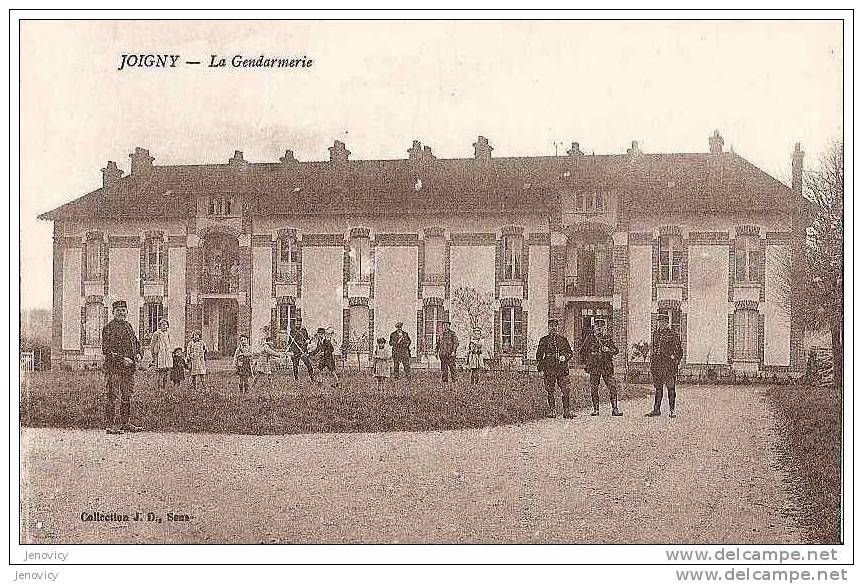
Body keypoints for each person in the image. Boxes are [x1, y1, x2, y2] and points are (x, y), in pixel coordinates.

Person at [101, 300, 144, 434]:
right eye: (118, 310)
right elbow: (106, 350)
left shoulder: (128, 326)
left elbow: (136, 343)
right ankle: (110, 425)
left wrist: (138, 353)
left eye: (123, 310)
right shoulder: (109, 328)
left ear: (127, 312)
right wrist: (122, 359)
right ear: (113, 312)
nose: (121, 313)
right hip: (114, 368)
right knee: (112, 396)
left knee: (126, 396)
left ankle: (125, 423)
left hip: (128, 369)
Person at [580, 319, 622, 417]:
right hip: (594, 367)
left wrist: (608, 350)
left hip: (606, 366)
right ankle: (596, 410)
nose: (599, 328)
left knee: (612, 387)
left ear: (604, 328)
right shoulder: (590, 338)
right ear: (594, 327)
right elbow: (582, 351)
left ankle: (615, 409)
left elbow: (616, 350)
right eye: (597, 326)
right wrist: (588, 361)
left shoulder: (608, 338)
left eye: (601, 326)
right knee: (594, 388)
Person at [646, 313, 683, 418]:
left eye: (663, 322)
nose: (661, 324)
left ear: (667, 323)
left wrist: (675, 362)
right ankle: (656, 410)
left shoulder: (673, 334)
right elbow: (653, 349)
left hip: (668, 366)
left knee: (671, 388)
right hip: (657, 365)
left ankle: (672, 410)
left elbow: (679, 351)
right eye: (659, 322)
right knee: (658, 388)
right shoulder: (655, 334)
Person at [536, 318, 574, 418]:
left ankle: (567, 411)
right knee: (550, 390)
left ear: (558, 327)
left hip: (562, 369)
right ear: (548, 328)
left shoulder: (563, 340)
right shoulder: (543, 340)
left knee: (566, 390)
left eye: (555, 326)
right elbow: (539, 356)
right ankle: (552, 410)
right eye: (551, 326)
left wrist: (564, 357)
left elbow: (570, 353)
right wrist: (541, 367)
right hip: (549, 369)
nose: (553, 328)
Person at [149, 318, 172, 393]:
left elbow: (168, 343)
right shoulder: (157, 334)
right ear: (160, 326)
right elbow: (152, 345)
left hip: (166, 354)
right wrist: (153, 356)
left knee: (166, 371)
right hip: (160, 355)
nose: (165, 326)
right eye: (163, 325)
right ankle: (159, 387)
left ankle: (164, 387)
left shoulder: (167, 333)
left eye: (166, 325)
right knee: (160, 372)